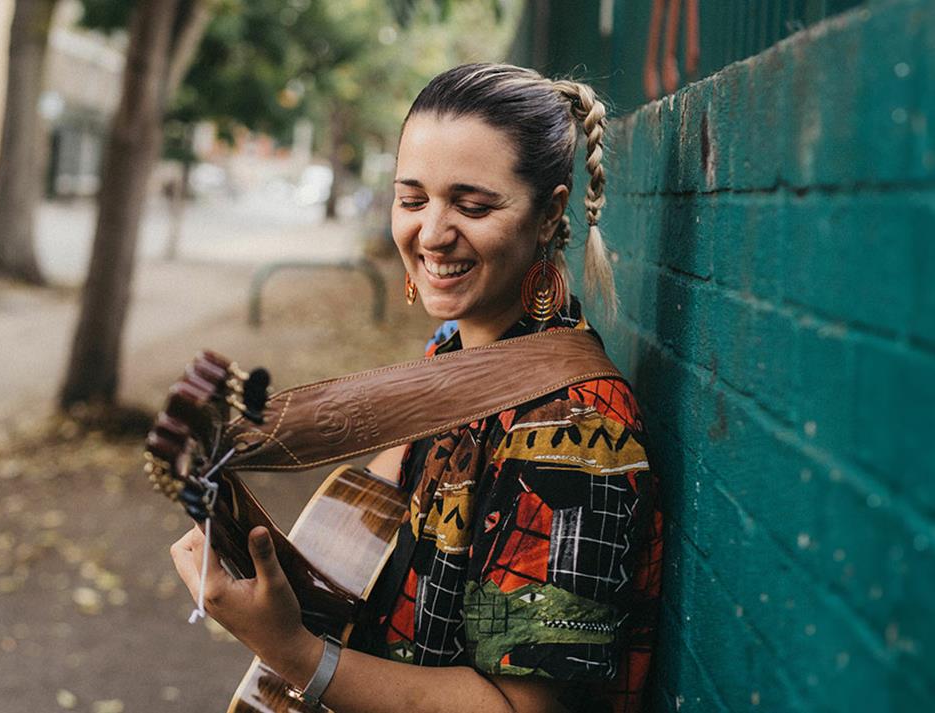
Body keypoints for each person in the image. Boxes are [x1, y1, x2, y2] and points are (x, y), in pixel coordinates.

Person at [170, 63, 662, 713]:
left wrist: (295, 653)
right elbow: (377, 498)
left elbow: (517, 709)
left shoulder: (575, 432)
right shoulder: (450, 353)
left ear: (549, 214)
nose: (431, 234)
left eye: (473, 205)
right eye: (412, 200)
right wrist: (247, 542)